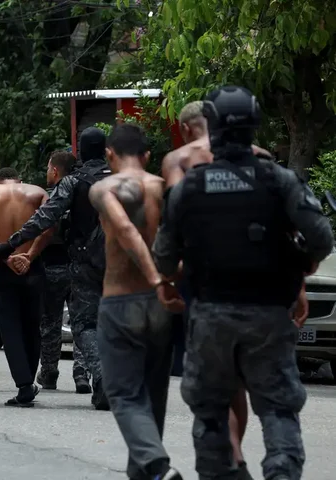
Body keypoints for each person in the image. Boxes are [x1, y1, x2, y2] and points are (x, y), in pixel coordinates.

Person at [153, 86, 334, 480]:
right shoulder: (279, 179)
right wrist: (299, 267)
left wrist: (169, 282)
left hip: (210, 314)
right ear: (254, 126)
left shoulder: (189, 186)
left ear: (211, 127)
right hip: (270, 313)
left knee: (211, 408)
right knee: (277, 407)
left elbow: (164, 255)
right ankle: (282, 472)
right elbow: (321, 237)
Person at [161, 101, 275, 476]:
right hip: (259, 279)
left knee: (215, 375)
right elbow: (283, 228)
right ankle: (234, 453)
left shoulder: (178, 160)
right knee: (239, 378)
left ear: (187, 127)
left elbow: (179, 223)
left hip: (206, 280)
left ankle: (232, 455)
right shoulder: (261, 157)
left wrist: (167, 279)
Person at [86, 123, 181, 480]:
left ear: (109, 154)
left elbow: (125, 229)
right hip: (162, 303)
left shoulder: (102, 188)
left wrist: (153, 275)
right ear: (147, 156)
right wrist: (167, 281)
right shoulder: (165, 188)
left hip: (121, 301)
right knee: (153, 395)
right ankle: (145, 473)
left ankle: (156, 464)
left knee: (123, 393)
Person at [0, 128, 111, 409]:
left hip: (86, 263)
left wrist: (12, 243)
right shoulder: (123, 179)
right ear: (107, 151)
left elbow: (45, 218)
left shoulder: (74, 182)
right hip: (125, 261)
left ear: (81, 152)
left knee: (84, 324)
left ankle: (103, 376)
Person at [0, 168, 51, 406]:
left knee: (9, 327)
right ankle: (29, 379)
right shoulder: (37, 192)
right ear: (20, 180)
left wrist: (4, 255)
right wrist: (29, 255)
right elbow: (50, 225)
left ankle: (24, 384)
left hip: (1, 267)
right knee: (32, 324)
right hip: (32, 265)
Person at [32, 151, 90, 393]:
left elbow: (46, 227)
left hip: (54, 265)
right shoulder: (84, 193)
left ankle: (49, 371)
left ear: (55, 170)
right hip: (80, 265)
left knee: (51, 322)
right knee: (81, 321)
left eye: (48, 168)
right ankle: (81, 372)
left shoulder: (55, 196)